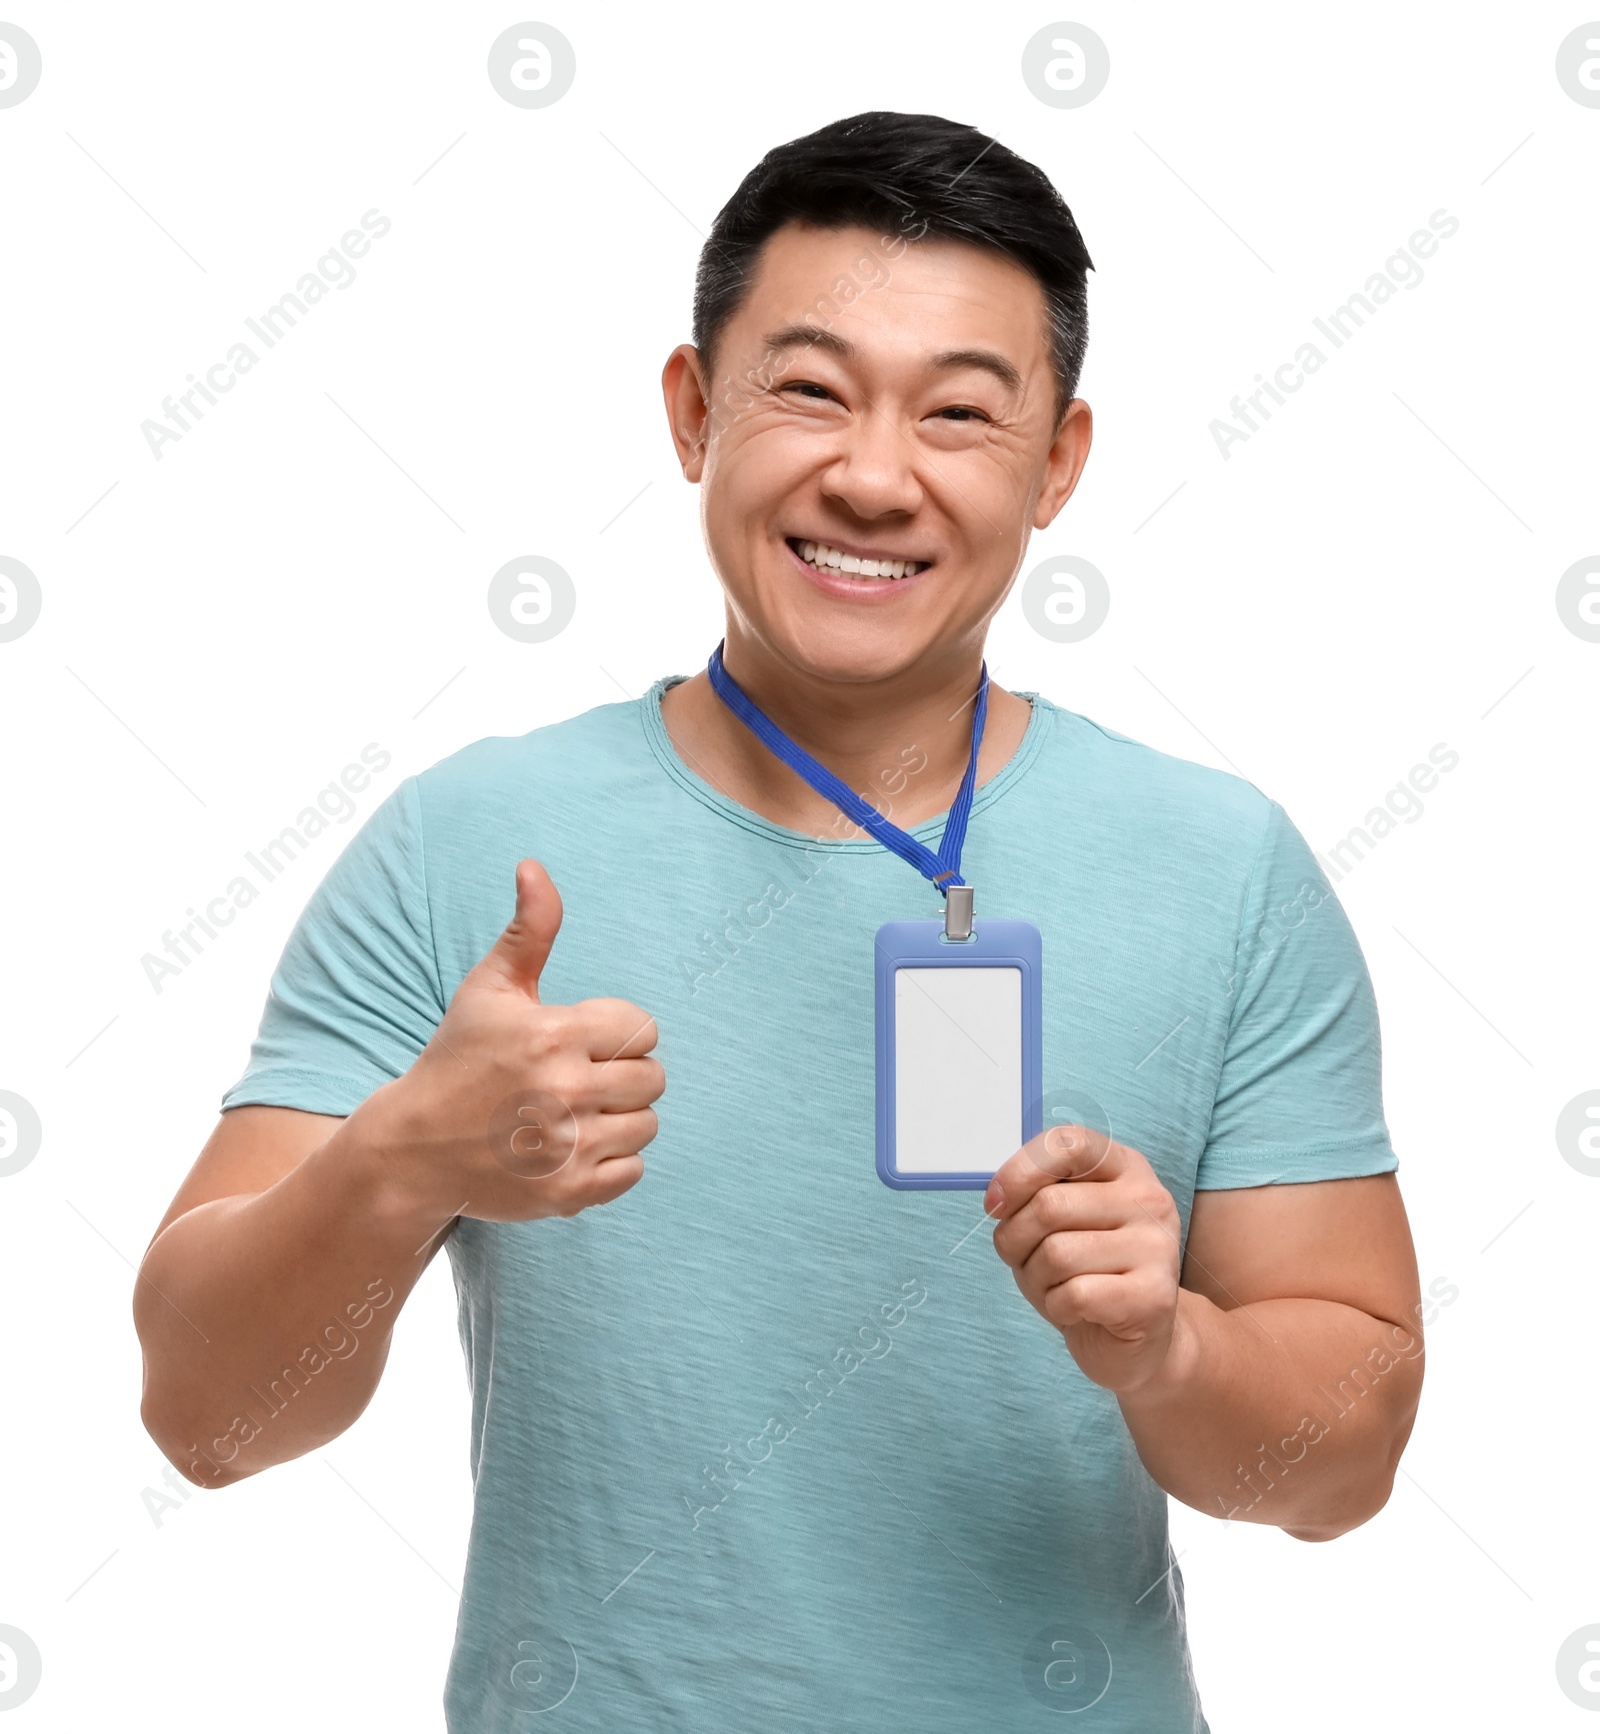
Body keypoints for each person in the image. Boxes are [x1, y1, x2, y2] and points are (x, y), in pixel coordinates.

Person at [135, 111, 1424, 1731]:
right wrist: (398, 1165)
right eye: (807, 389)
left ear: (1057, 464)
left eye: (959, 412)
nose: (872, 477)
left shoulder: (1222, 865)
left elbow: (1347, 1465)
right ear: (692, 411)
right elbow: (206, 1419)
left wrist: (1166, 1345)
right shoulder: (469, 847)